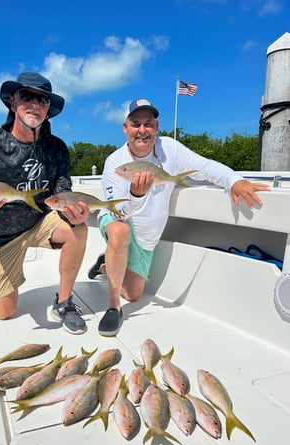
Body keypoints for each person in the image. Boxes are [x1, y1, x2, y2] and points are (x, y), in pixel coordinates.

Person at [89, 98, 270, 337]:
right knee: (119, 232)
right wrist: (135, 194)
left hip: (146, 237)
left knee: (134, 294)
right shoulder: (115, 163)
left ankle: (106, 263)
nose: (142, 130)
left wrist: (233, 180)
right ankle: (113, 307)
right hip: (121, 220)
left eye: (148, 124)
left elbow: (204, 167)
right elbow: (117, 212)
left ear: (157, 127)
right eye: (135, 124)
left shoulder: (170, 149)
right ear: (125, 128)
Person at [0, 72, 89, 334]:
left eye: (42, 99)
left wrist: (73, 213)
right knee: (4, 312)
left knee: (79, 228)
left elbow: (62, 189)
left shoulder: (57, 147)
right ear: (13, 103)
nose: (35, 104)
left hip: (40, 222)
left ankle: (65, 302)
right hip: (0, 236)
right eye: (27, 96)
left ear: (48, 109)